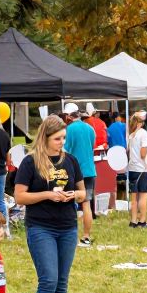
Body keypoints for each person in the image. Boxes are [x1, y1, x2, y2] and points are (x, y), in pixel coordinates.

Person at [14, 115, 86, 293]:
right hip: (41, 227)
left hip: (67, 226)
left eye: (64, 138)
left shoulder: (71, 161)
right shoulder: (30, 162)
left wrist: (73, 195)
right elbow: (19, 196)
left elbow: (84, 192)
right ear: (44, 138)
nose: (61, 142)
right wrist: (47, 195)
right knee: (49, 280)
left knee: (62, 281)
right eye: (57, 138)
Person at [62, 103, 97, 246]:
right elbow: (93, 146)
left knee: (70, 204)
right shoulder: (90, 128)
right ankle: (86, 236)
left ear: (69, 116)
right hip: (90, 170)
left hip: (74, 172)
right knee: (86, 204)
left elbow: (65, 151)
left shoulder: (69, 130)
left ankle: (71, 236)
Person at [126, 113, 147, 228]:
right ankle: (142, 221)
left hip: (132, 168)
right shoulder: (144, 134)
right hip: (143, 169)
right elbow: (143, 153)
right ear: (140, 123)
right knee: (143, 196)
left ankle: (133, 221)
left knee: (134, 197)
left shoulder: (131, 136)